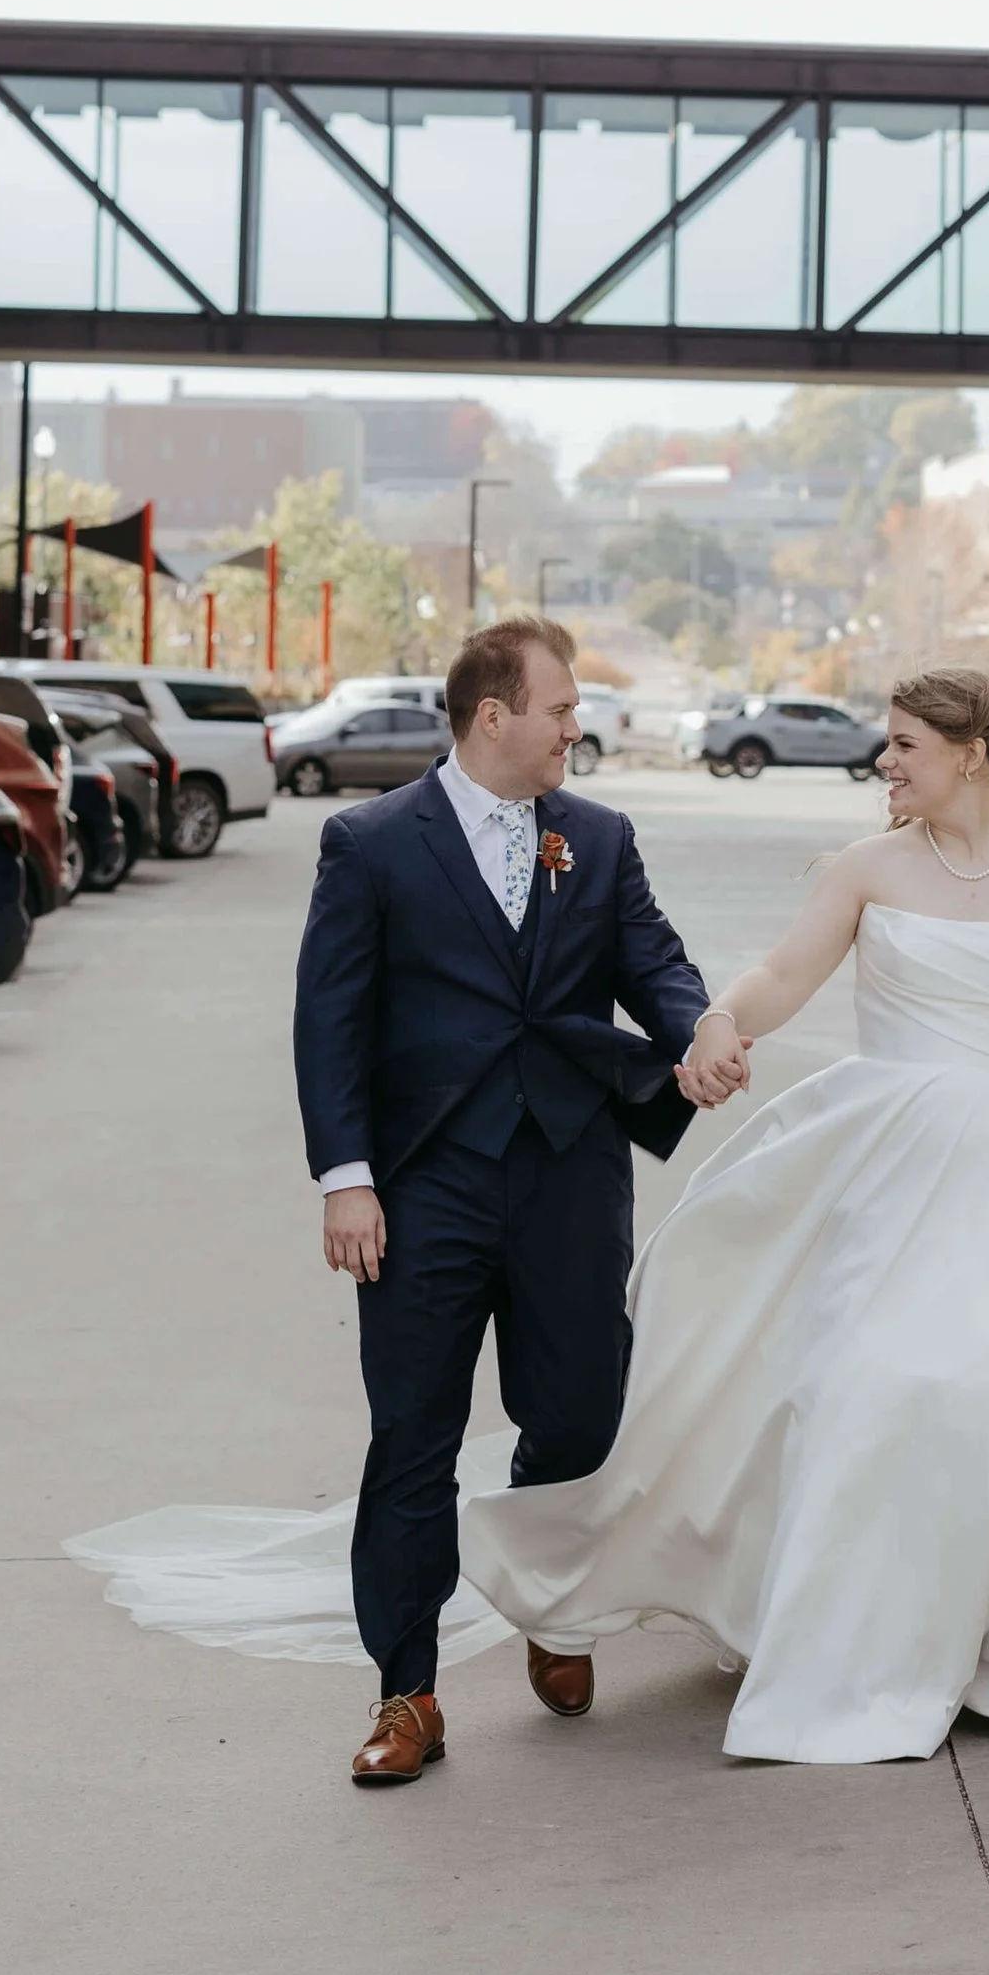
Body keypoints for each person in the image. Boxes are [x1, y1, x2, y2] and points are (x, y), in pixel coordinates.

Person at [449, 662, 989, 1762]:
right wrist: (716, 1022)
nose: (882, 761)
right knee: (880, 1388)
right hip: (887, 1167)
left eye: (902, 744)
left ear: (969, 752)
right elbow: (784, 974)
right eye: (884, 742)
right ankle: (861, 1648)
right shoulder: (865, 869)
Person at [288, 614, 741, 1785]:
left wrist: (698, 1035)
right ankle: (406, 1693)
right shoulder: (371, 843)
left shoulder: (596, 837)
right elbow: (329, 1021)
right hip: (423, 1186)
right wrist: (347, 1178)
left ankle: (553, 1605)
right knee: (411, 1443)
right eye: (562, 709)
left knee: (582, 1414)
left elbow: (656, 963)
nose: (574, 729)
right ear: (494, 716)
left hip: (568, 1177)